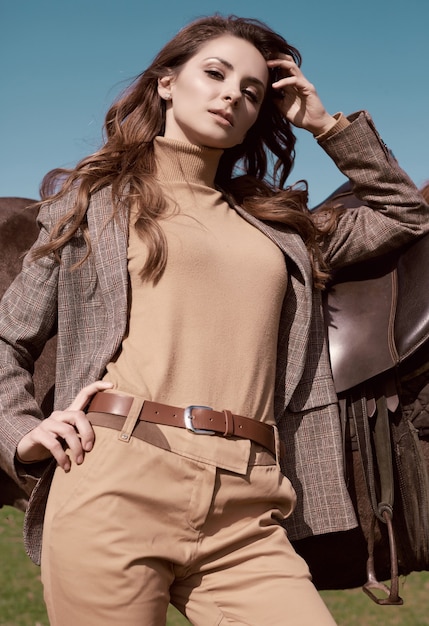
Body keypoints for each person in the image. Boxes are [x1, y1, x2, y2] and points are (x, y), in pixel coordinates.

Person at [0, 14, 428, 626]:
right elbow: (5, 338)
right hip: (116, 484)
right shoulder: (94, 205)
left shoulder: (280, 229)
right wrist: (20, 432)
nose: (233, 94)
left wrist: (324, 124)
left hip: (248, 511)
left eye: (253, 92)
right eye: (216, 73)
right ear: (167, 82)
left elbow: (404, 213)